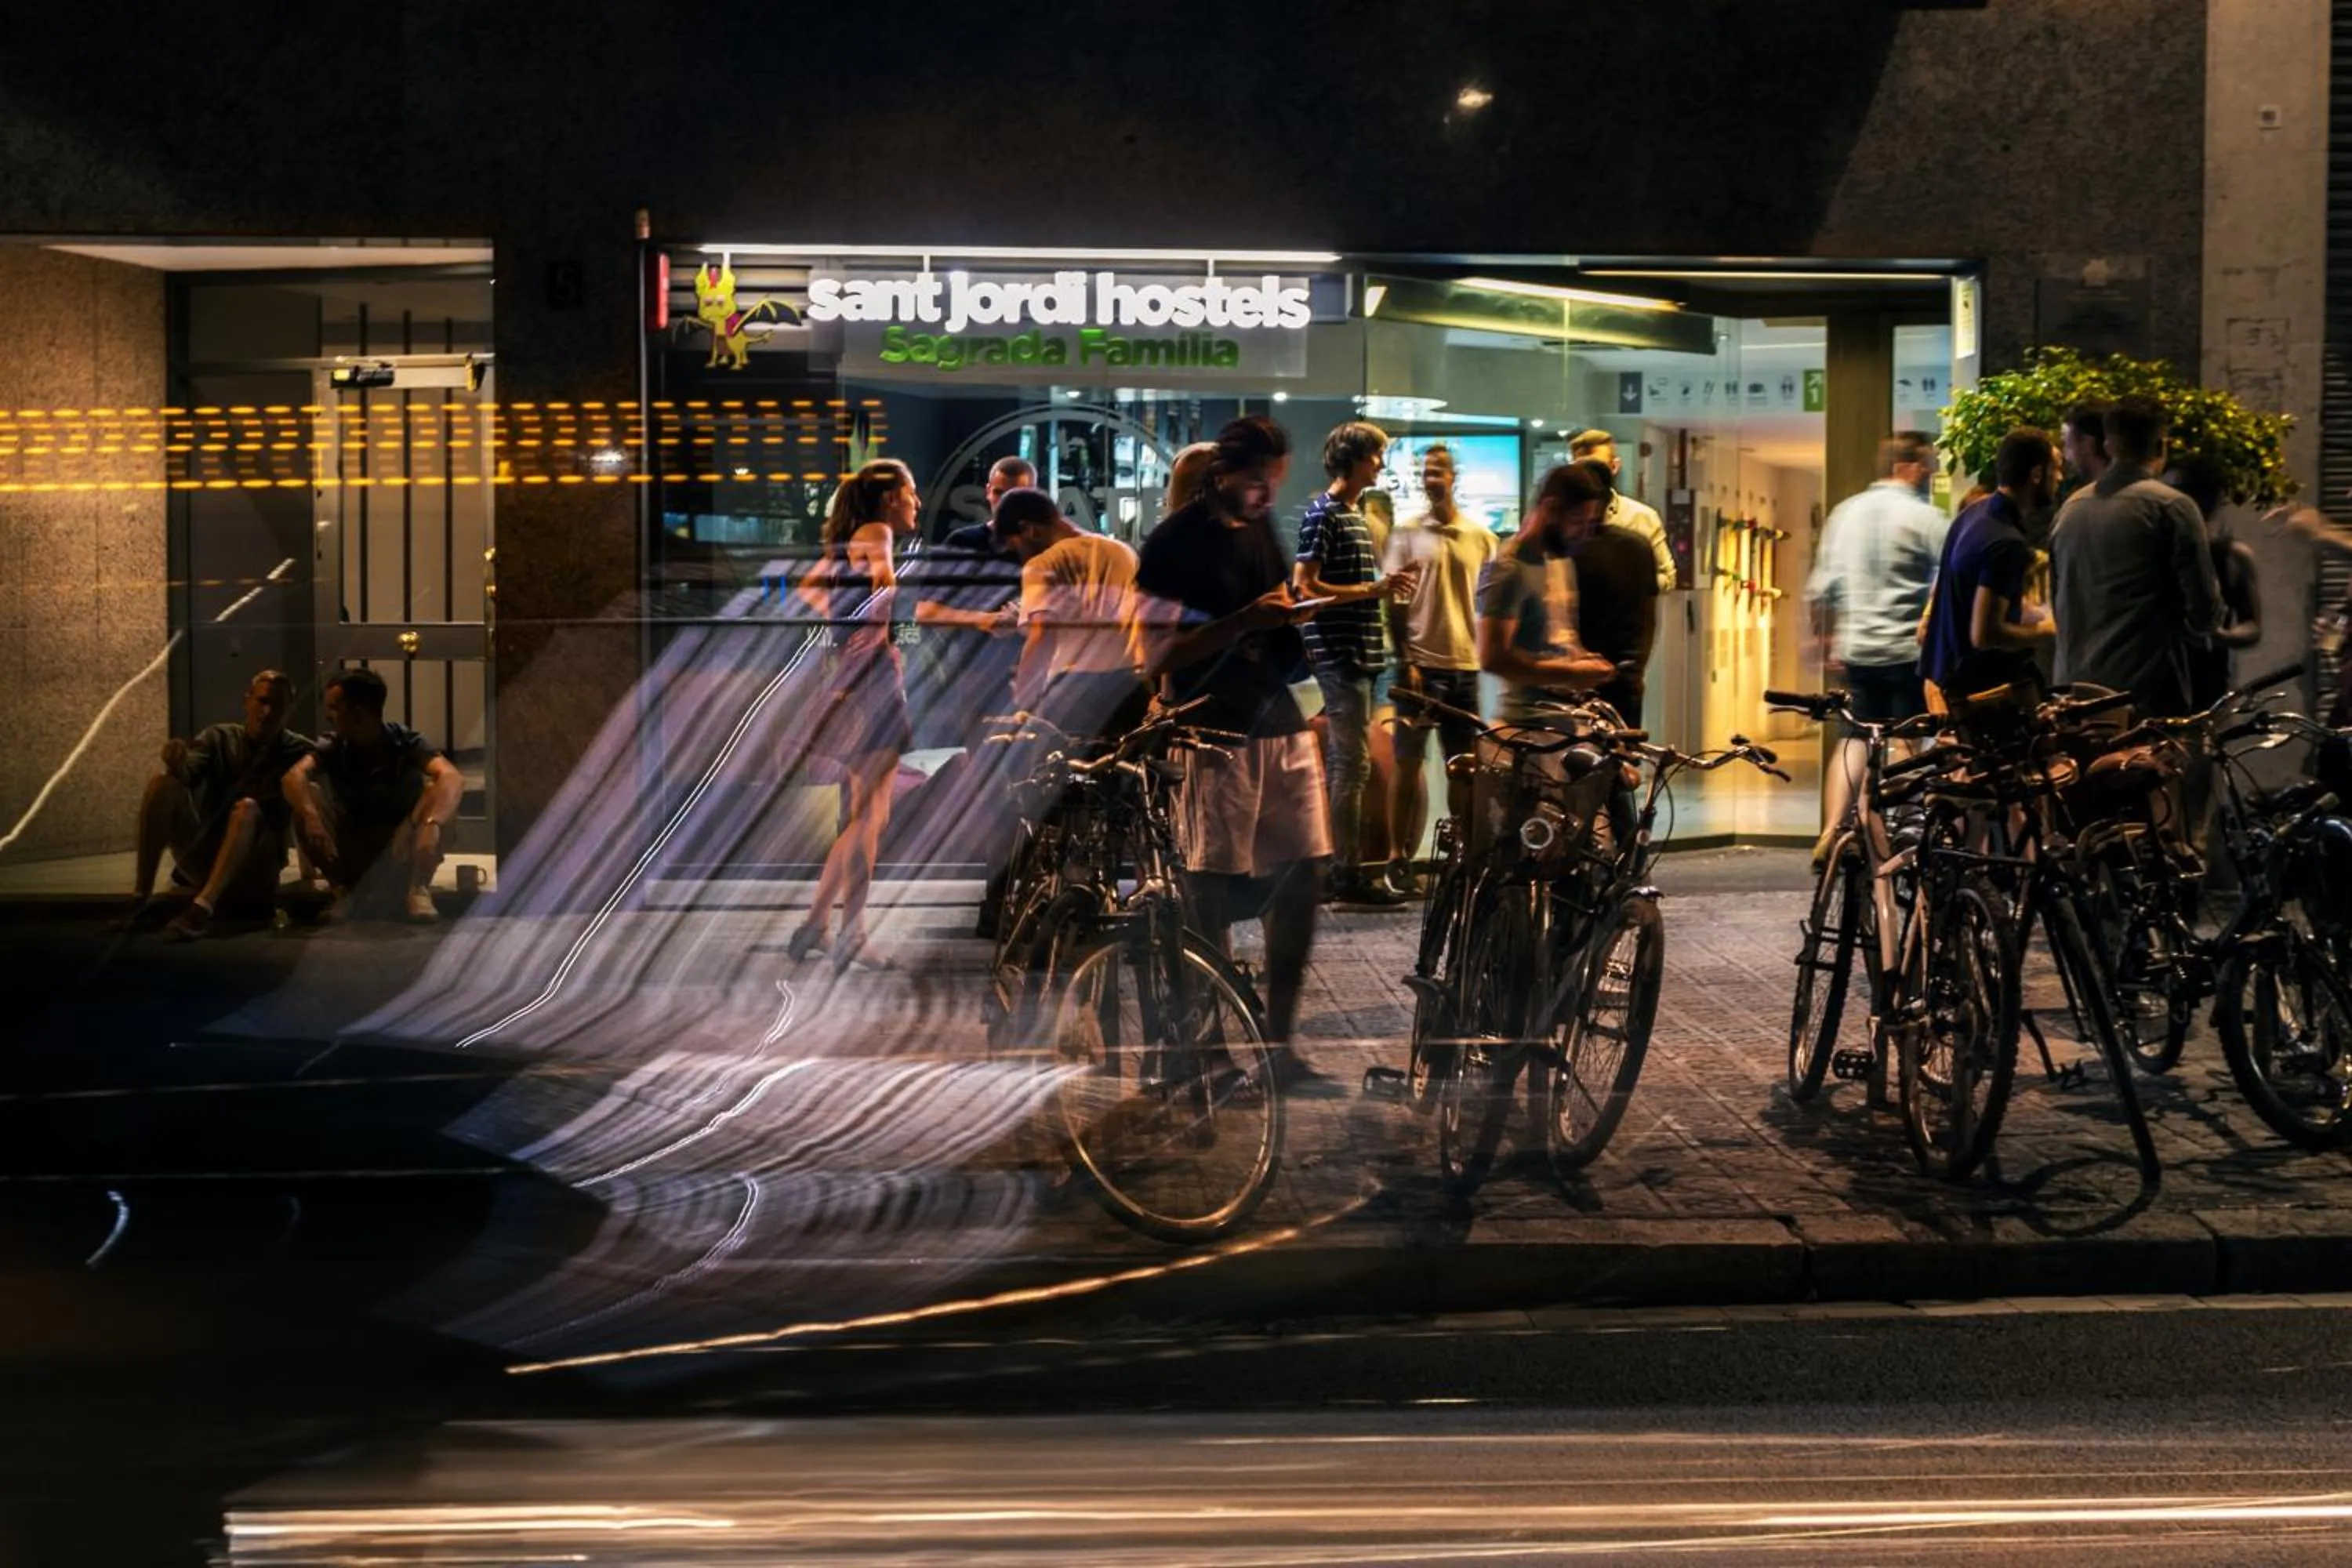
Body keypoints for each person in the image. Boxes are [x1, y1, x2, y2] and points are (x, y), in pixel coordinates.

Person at [1133, 415, 1333, 1087]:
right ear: (1222, 474)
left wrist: (1295, 637)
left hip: (1277, 724)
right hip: (1209, 732)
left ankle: (1278, 1046)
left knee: (1302, 878)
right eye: (1257, 482)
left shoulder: (1260, 531)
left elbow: (1273, 619)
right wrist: (1248, 621)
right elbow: (1153, 655)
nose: (1266, 496)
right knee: (1208, 893)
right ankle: (1207, 1049)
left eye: (1274, 482)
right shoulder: (1172, 546)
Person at [786, 458, 920, 969]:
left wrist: (846, 630)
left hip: (849, 676)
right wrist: (876, 626)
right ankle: (851, 933)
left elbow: (808, 588)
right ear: (890, 497)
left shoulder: (845, 541)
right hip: (874, 681)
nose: (916, 505)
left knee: (864, 812)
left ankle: (818, 925)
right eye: (911, 494)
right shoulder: (878, 530)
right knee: (870, 815)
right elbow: (885, 585)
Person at [1803, 432, 1950, 852]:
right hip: (1907, 651)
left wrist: (1822, 639)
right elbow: (1950, 577)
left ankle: (1832, 831)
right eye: (1928, 466)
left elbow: (1821, 588)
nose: (1931, 473)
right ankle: (1904, 830)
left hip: (1859, 651)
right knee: (1905, 738)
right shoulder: (1925, 518)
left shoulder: (1845, 514)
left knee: (1852, 737)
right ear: (1910, 466)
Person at [1295, 420, 1417, 906]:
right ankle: (1344, 869)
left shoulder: (1350, 514)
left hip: (1359, 653)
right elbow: (1306, 585)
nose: (1380, 465)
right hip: (1342, 654)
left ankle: (1343, 866)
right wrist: (1373, 590)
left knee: (1352, 764)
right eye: (1374, 456)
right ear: (1353, 459)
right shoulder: (1324, 514)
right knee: (1350, 764)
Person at [2050, 395, 2222, 717]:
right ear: (2161, 445)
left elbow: (2059, 601)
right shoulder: (2172, 507)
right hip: (2143, 698)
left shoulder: (2070, 509)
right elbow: (2205, 613)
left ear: (2109, 444)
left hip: (2073, 695)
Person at [1384, 444, 1494, 895]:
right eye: (1425, 473)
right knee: (1408, 764)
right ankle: (1397, 858)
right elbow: (1395, 599)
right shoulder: (1406, 533)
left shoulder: (1482, 538)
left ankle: (1465, 857)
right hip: (1421, 667)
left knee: (1462, 767)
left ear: (1454, 478)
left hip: (1466, 666)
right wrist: (1406, 658)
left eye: (1437, 472)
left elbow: (1490, 605)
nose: (1431, 480)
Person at [132, 669, 310, 940]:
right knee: (162, 784)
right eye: (263, 701)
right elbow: (188, 773)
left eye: (278, 705)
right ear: (247, 701)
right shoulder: (219, 738)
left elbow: (327, 778)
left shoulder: (298, 749)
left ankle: (201, 910)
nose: (269, 711)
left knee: (247, 808)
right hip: (207, 855)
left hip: (258, 867)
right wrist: (178, 763)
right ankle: (139, 900)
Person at [281, 667, 465, 927]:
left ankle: (418, 888)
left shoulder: (405, 741)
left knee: (438, 794)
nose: (328, 715)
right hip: (352, 848)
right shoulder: (334, 745)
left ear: (358, 713)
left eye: (335, 708)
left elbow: (452, 777)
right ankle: (342, 893)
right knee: (306, 795)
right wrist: (311, 816)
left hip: (402, 849)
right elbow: (293, 776)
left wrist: (432, 823)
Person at [991, 485, 1146, 739]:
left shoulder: (1043, 564)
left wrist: (1024, 698)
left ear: (1029, 529)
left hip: (1075, 692)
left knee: (1069, 774)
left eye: (1016, 546)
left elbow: (1044, 633)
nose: (1019, 556)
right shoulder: (1123, 551)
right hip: (1130, 686)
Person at [1921, 428, 2060, 706]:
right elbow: (1985, 634)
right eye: (2056, 469)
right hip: (1987, 696)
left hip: (1949, 681)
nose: (2060, 478)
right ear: (2036, 474)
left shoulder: (1973, 514)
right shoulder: (2006, 542)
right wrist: (2051, 628)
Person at [1476, 463, 1619, 720]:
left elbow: (1557, 639)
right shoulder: (1509, 568)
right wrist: (1571, 674)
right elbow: (1493, 658)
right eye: (1578, 522)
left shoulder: (1559, 560)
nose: (1585, 534)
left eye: (1590, 523)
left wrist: (1582, 660)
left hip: (1567, 718)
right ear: (1551, 509)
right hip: (1527, 726)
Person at [909, 455, 1032, 729]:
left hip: (1036, 670)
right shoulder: (964, 542)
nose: (1005, 503)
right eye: (1000, 493)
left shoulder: (1046, 546)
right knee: (981, 755)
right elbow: (924, 611)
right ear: (988, 491)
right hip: (977, 673)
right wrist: (985, 620)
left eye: (1015, 495)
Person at [1566, 457, 1664, 729]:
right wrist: (1635, 669)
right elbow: (1648, 617)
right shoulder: (1637, 545)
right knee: (1623, 759)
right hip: (1623, 676)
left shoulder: (1570, 550)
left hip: (1575, 676)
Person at [2162, 454, 2263, 710]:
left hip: (2207, 685)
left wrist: (2220, 637)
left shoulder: (2231, 555)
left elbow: (2252, 625)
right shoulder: (2155, 550)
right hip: (2156, 680)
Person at [1568, 429, 1675, 592]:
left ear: (1614, 467)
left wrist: (1628, 582)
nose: (1590, 476)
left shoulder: (1641, 517)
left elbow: (1667, 577)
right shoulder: (1560, 517)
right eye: (1582, 469)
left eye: (1598, 468)